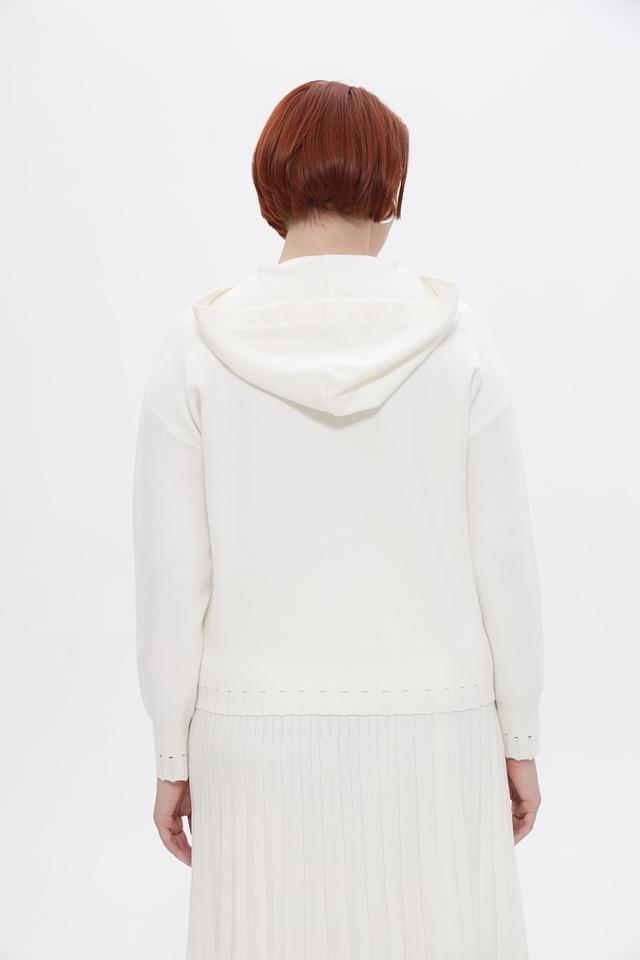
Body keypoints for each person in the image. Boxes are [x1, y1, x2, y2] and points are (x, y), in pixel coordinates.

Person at [133, 79, 544, 959]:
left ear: (271, 184)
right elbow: (504, 558)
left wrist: (172, 753)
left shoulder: (196, 348)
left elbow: (173, 576)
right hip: (439, 723)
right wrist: (519, 735)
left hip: (252, 728)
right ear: (390, 189)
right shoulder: (458, 340)